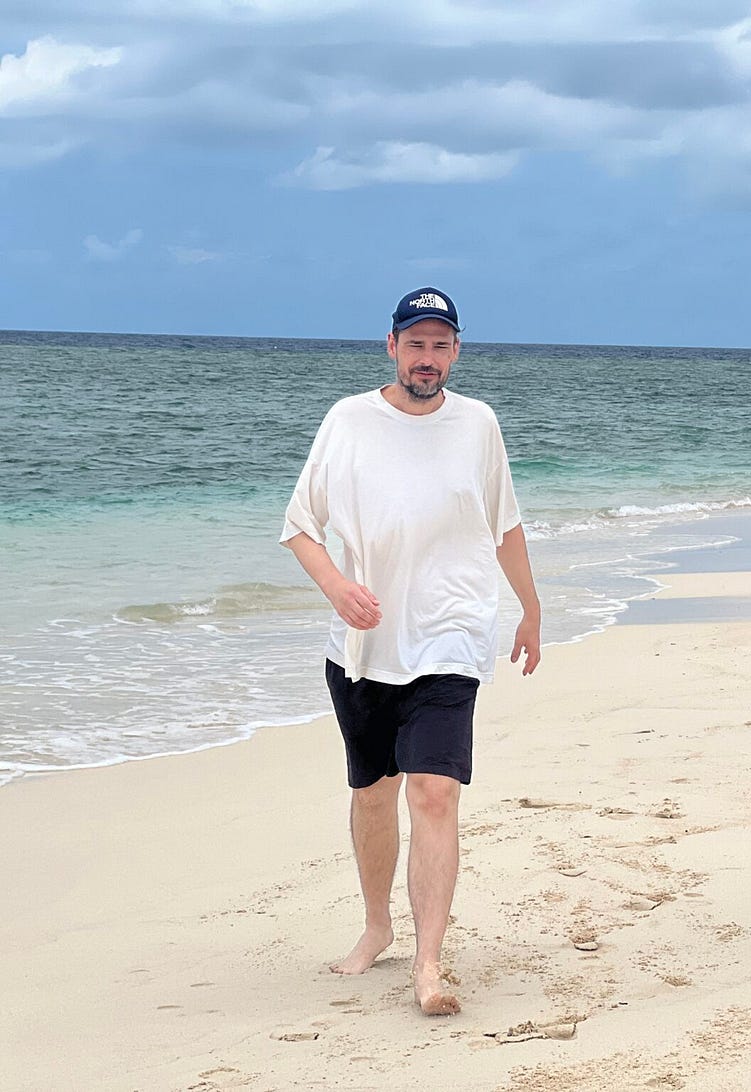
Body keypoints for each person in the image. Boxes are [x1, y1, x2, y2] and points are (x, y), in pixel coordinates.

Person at [280, 287, 542, 1014]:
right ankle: (376, 928)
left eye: (440, 345)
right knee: (373, 794)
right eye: (415, 344)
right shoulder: (348, 422)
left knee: (434, 790)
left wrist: (531, 608)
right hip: (363, 645)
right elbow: (300, 527)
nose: (427, 359)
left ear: (456, 352)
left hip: (451, 634)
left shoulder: (478, 425)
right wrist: (337, 587)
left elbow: (506, 525)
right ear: (390, 347)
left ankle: (429, 965)